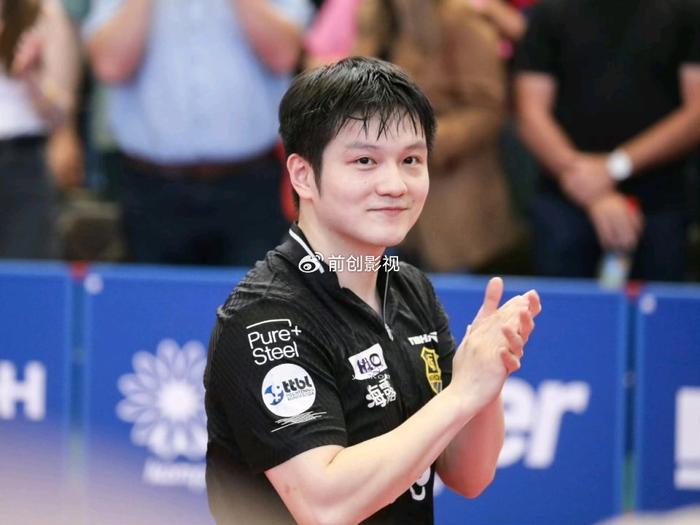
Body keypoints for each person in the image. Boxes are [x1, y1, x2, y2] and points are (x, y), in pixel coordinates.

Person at [204, 57, 541, 525]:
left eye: (411, 161)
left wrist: (487, 376)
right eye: (365, 161)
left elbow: (469, 475)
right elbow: (324, 506)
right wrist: (462, 394)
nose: (395, 185)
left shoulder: (410, 288)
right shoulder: (264, 317)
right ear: (303, 175)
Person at [83, 0, 314, 266]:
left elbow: (285, 55)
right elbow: (109, 66)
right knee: (153, 291)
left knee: (260, 291)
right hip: (151, 189)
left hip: (251, 186)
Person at [514, 0, 700, 281]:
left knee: (659, 303)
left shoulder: (686, 10)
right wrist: (590, 188)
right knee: (562, 304)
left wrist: (614, 167)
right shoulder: (549, 11)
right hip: (564, 201)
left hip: (660, 202)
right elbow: (530, 114)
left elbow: (695, 114)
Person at [354, 0, 522, 273]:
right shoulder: (373, 17)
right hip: (379, 199)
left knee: (448, 291)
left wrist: (416, 143)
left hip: (451, 194)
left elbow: (489, 108)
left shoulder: (460, 19)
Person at [0, 0, 81, 259]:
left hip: (22, 160)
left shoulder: (45, 13)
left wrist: (31, 77)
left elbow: (61, 113)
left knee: (27, 266)